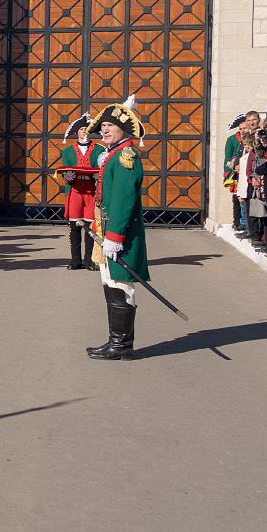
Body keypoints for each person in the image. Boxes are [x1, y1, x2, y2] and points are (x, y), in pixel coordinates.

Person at [85, 96, 149, 361]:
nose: (105, 131)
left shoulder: (126, 156)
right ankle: (117, 341)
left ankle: (122, 345)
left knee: (121, 285)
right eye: (103, 127)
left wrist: (114, 237)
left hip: (120, 234)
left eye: (111, 126)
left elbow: (123, 199)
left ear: (124, 129)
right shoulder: (111, 154)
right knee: (111, 283)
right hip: (109, 231)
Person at [56, 114, 103, 270]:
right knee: (74, 227)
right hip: (75, 192)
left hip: (91, 192)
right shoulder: (68, 151)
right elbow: (66, 168)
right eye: (82, 129)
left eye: (87, 129)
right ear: (77, 132)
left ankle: (89, 261)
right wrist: (68, 177)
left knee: (90, 227)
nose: (85, 132)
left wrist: (97, 176)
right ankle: (75, 260)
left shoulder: (99, 149)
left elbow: (100, 168)